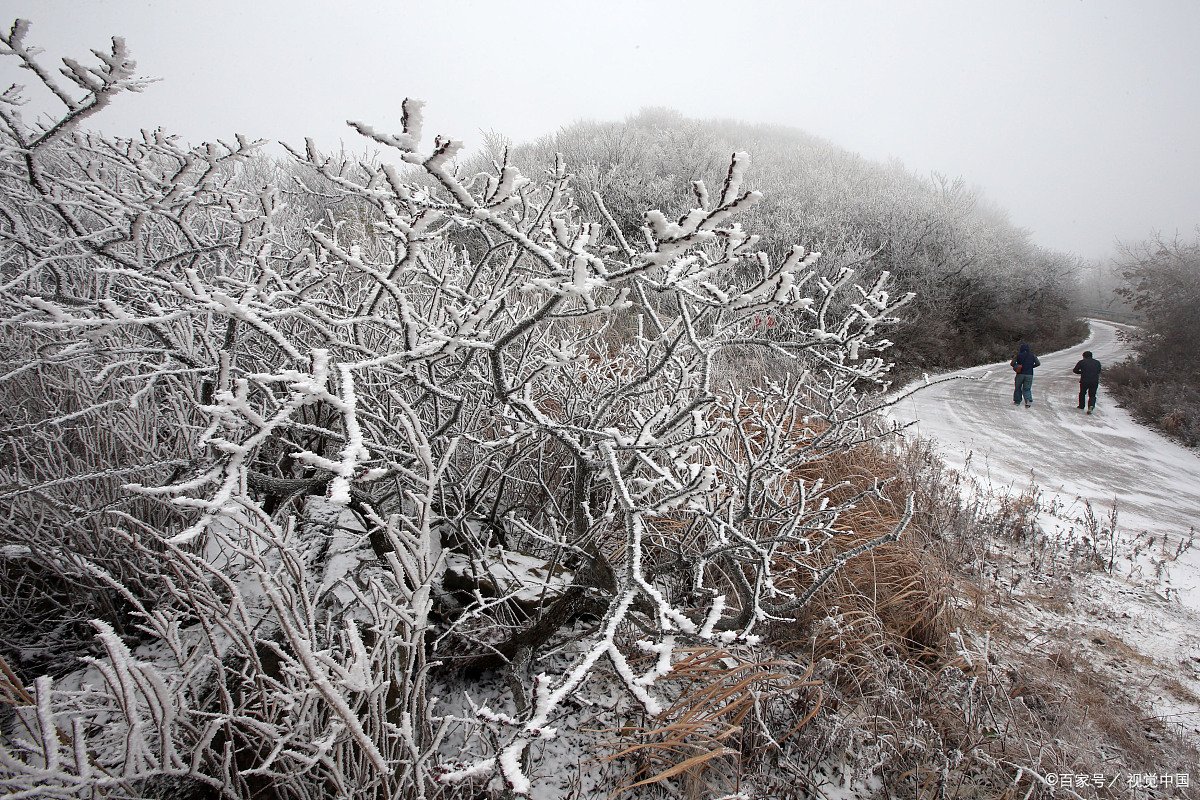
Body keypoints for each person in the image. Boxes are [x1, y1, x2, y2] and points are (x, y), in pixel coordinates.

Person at [1010, 343, 1040, 408]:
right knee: (1027, 388)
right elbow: (1038, 363)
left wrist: (1016, 366)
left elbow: (1012, 363)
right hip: (1029, 374)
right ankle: (1028, 401)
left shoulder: (1018, 355)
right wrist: (1031, 366)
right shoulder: (1033, 355)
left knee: (1018, 388)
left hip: (1020, 374)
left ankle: (1017, 401)